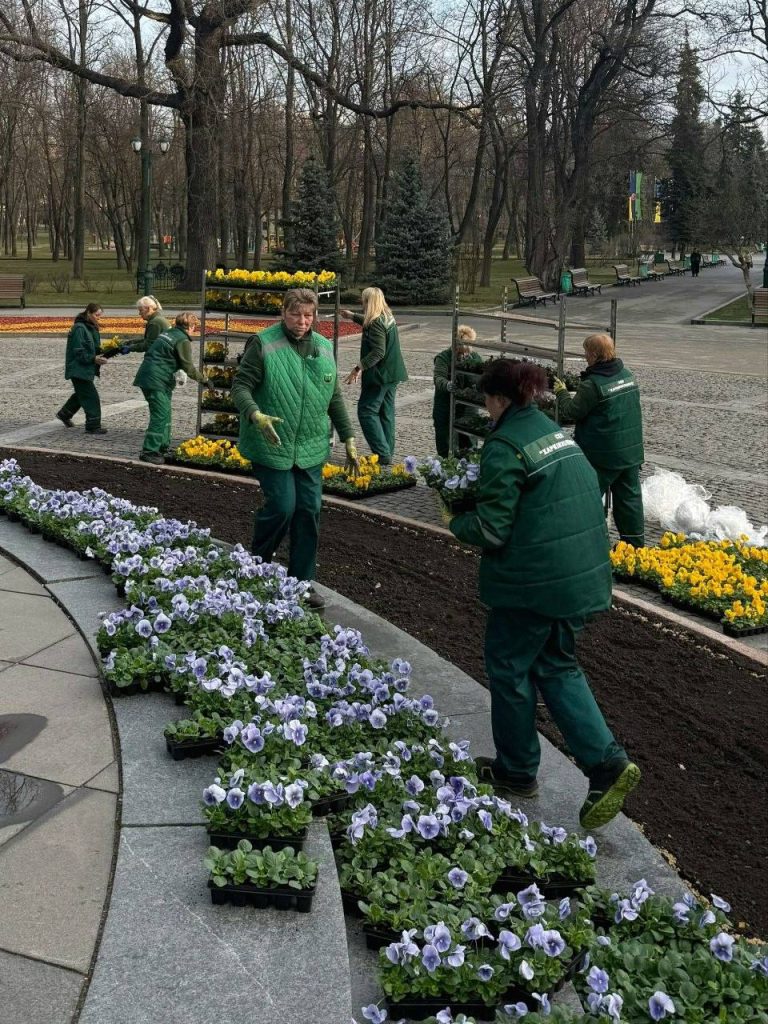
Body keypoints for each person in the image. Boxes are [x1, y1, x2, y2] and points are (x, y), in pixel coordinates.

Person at [449, 359, 640, 829]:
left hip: (534, 583)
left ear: (498, 399)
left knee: (510, 666)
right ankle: (607, 763)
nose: (486, 409)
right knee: (556, 664)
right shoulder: (555, 434)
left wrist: (456, 519)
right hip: (580, 576)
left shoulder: (505, 446)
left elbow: (493, 529)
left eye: (487, 401)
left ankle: (516, 772)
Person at [231, 288, 359, 609]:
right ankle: (257, 566)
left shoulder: (325, 347)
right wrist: (255, 414)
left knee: (308, 511)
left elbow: (334, 397)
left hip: (310, 447)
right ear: (283, 312)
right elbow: (240, 386)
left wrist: (349, 437)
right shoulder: (263, 344)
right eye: (295, 314)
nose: (302, 322)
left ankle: (301, 582)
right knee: (284, 505)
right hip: (270, 442)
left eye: (308, 315)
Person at [554, 333, 645, 548]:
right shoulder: (627, 374)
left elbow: (571, 412)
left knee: (588, 497)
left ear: (594, 355)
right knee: (629, 500)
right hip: (631, 451)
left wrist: (562, 393)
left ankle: (589, 544)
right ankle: (634, 548)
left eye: (586, 352)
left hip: (602, 455)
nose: (585, 356)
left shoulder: (593, 384)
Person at [341, 287, 408, 465]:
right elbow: (370, 322)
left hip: (380, 376)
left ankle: (382, 453)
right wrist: (352, 316)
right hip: (392, 374)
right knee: (386, 412)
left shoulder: (376, 322)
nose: (361, 303)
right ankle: (386, 453)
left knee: (366, 411)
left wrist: (358, 368)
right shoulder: (386, 316)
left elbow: (378, 351)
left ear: (369, 302)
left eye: (363, 300)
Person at [132, 312, 207, 465]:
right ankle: (149, 450)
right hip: (156, 380)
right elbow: (188, 366)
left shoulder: (168, 333)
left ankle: (163, 446)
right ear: (191, 326)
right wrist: (204, 380)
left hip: (152, 377)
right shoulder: (182, 340)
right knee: (160, 415)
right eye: (194, 327)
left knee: (165, 412)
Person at [56, 303, 109, 434]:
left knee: (82, 394)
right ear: (88, 313)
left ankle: (64, 414)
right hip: (78, 369)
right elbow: (78, 352)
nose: (99, 318)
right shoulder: (79, 329)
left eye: (100, 316)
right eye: (97, 315)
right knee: (91, 397)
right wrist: (93, 359)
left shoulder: (91, 327)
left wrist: (111, 350)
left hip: (85, 368)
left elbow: (95, 348)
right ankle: (93, 425)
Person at [432, 324, 484, 457]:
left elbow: (479, 380)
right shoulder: (443, 357)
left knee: (469, 442)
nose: (464, 355)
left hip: (468, 408)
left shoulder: (476, 358)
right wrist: (448, 385)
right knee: (445, 442)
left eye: (467, 352)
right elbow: (438, 378)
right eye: (461, 352)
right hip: (446, 406)